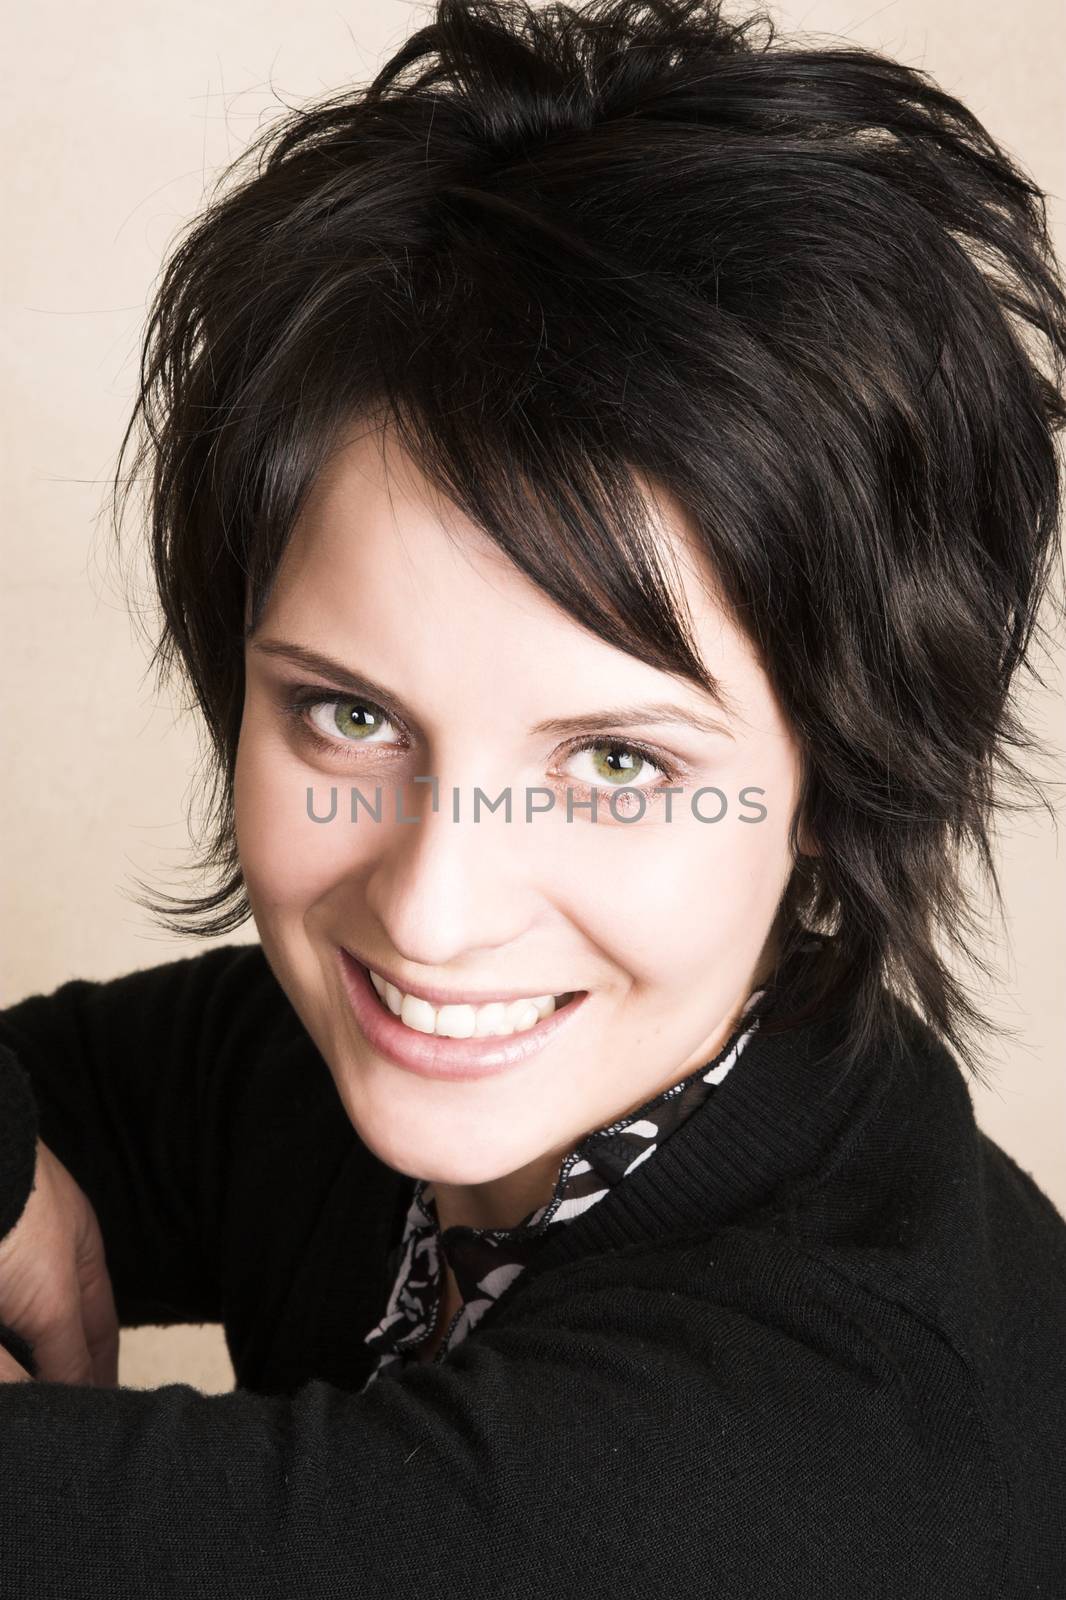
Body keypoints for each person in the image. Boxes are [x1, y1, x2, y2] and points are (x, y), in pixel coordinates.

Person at [1, 0, 1064, 1591]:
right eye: (347, 715)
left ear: (837, 780)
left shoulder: (779, 1452)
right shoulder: (409, 1062)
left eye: (617, 763)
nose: (432, 909)